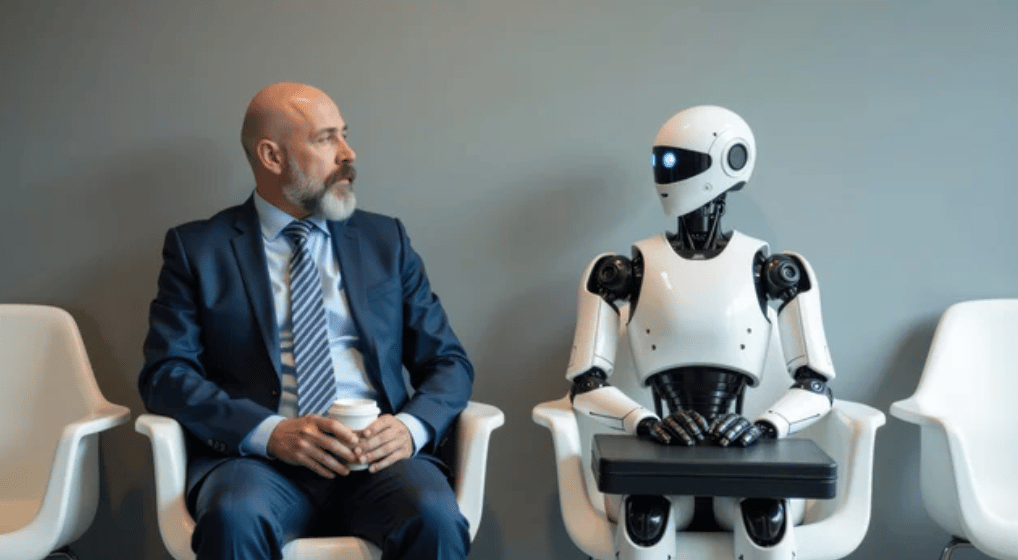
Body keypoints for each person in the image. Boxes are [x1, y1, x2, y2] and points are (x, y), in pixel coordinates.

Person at [138, 82, 474, 560]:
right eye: (325, 138)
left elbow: (448, 362)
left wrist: (410, 428)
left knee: (435, 518)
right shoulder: (199, 250)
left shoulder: (385, 240)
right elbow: (166, 374)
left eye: (344, 135)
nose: (348, 153)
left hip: (377, 461)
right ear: (272, 156)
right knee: (233, 520)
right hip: (258, 463)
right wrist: (270, 433)